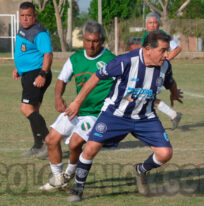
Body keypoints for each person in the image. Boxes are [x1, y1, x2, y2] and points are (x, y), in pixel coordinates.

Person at [65, 31, 183, 202]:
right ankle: (78, 188)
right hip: (115, 115)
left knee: (165, 153)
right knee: (90, 149)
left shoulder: (165, 65)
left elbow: (169, 81)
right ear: (148, 49)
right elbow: (96, 77)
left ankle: (140, 171)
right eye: (163, 50)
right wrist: (77, 102)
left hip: (145, 117)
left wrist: (173, 93)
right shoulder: (126, 61)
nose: (167, 55)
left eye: (168, 50)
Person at [38, 21, 116, 191]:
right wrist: (58, 97)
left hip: (96, 114)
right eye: (87, 40)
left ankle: (69, 173)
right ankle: (59, 178)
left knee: (74, 143)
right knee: (51, 140)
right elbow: (61, 80)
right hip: (76, 109)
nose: (91, 45)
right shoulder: (75, 58)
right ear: (83, 39)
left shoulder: (111, 60)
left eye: (95, 41)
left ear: (102, 40)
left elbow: (123, 85)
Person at [12, 2, 52, 158]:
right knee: (34, 111)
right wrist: (18, 67)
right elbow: (23, 49)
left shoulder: (39, 33)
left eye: (28, 15)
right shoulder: (23, 29)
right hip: (27, 74)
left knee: (26, 109)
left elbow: (48, 55)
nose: (25, 19)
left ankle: (50, 143)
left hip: (37, 74)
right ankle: (38, 145)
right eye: (22, 16)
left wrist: (42, 74)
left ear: (34, 16)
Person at [142, 12, 183, 130]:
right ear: (146, 25)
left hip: (158, 69)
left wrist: (166, 59)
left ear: (159, 24)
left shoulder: (163, 35)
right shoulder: (146, 37)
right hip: (150, 68)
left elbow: (177, 48)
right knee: (146, 96)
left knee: (145, 95)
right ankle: (174, 114)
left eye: (155, 22)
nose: (153, 25)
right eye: (150, 23)